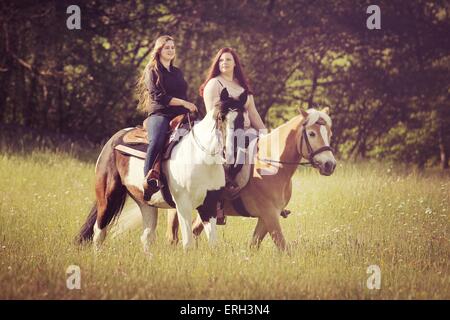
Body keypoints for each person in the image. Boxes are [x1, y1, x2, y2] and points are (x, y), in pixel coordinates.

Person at [136, 35, 198, 201]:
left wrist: (187, 109)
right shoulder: (152, 71)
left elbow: (182, 93)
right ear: (159, 50)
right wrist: (185, 103)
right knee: (156, 141)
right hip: (160, 113)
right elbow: (158, 96)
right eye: (167, 47)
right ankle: (148, 179)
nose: (170, 50)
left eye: (172, 47)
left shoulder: (177, 72)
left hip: (180, 114)